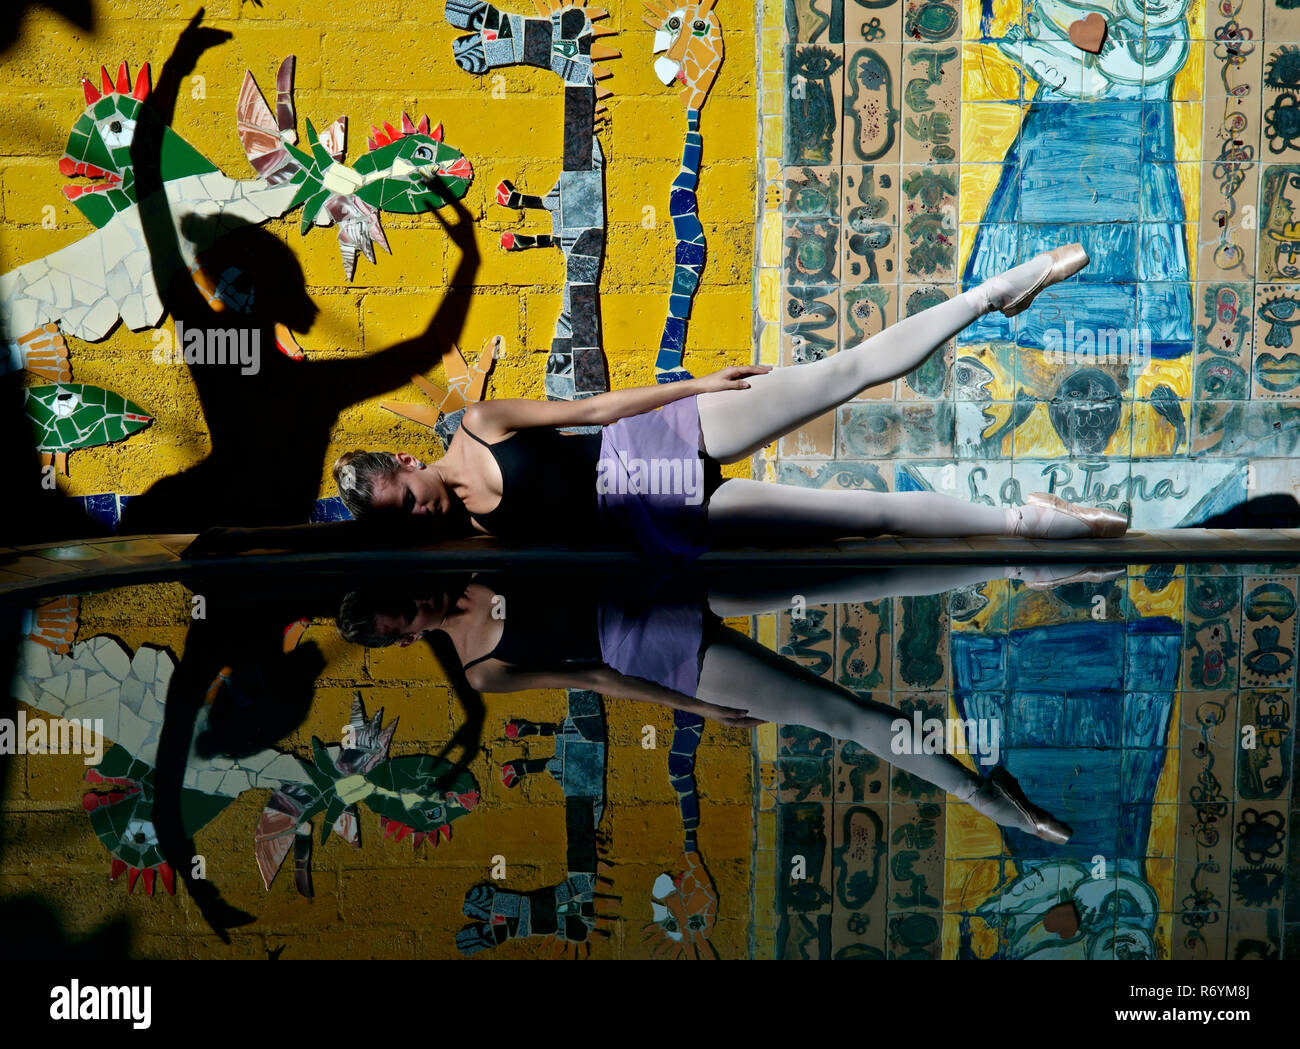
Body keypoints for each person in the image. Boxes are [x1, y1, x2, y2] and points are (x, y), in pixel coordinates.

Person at [333, 244, 1127, 560]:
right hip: (664, 517)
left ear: (408, 461)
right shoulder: (466, 533)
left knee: (838, 373)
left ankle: (995, 294)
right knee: (862, 518)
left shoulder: (480, 426)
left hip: (659, 437)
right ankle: (1028, 521)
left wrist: (697, 384)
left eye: (405, 498)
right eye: (399, 519)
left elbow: (600, 409)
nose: (416, 514)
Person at [336, 562, 1117, 843]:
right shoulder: (480, 668)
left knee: (860, 571)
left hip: (672, 577)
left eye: (406, 595)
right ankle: (998, 804)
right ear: (407, 638)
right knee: (842, 714)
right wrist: (698, 709)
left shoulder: (471, 554)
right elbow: (596, 681)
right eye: (408, 614)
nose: (421, 602)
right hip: (667, 654)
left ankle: (1030, 560)